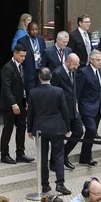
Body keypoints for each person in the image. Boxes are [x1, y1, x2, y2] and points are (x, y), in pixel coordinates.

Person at [27, 67, 71, 195]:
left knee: (42, 157)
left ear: (39, 78)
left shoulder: (33, 92)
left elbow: (30, 113)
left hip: (40, 129)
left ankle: (44, 184)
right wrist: (67, 128)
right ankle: (60, 183)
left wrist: (29, 129)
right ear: (50, 77)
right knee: (58, 156)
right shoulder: (58, 91)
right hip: (57, 128)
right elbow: (65, 111)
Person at [0, 43, 34, 165]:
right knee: (8, 129)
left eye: (24, 56)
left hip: (21, 102)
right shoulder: (8, 68)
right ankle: (4, 154)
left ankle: (20, 153)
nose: (23, 58)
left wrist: (25, 102)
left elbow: (23, 86)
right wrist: (13, 104)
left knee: (21, 127)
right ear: (15, 54)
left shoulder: (20, 66)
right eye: (21, 56)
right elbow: (6, 88)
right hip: (10, 104)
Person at [52, 53, 83, 171]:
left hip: (73, 110)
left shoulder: (73, 71)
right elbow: (53, 93)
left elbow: (73, 89)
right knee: (58, 138)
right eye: (75, 64)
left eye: (77, 65)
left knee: (79, 132)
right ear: (68, 62)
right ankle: (54, 161)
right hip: (62, 111)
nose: (76, 67)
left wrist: (76, 103)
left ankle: (63, 155)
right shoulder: (57, 73)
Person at [75, 51, 101, 167]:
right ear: (91, 60)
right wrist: (77, 105)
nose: (100, 62)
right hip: (86, 106)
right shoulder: (83, 72)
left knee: (91, 132)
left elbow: (100, 89)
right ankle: (87, 156)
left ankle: (84, 156)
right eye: (98, 60)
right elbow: (78, 91)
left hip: (97, 106)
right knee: (91, 130)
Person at [17, 22, 46, 94]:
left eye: (36, 29)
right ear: (28, 30)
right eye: (32, 29)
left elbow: (44, 53)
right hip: (29, 71)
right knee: (31, 93)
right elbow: (20, 57)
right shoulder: (22, 41)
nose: (34, 31)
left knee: (40, 93)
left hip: (40, 71)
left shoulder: (41, 39)